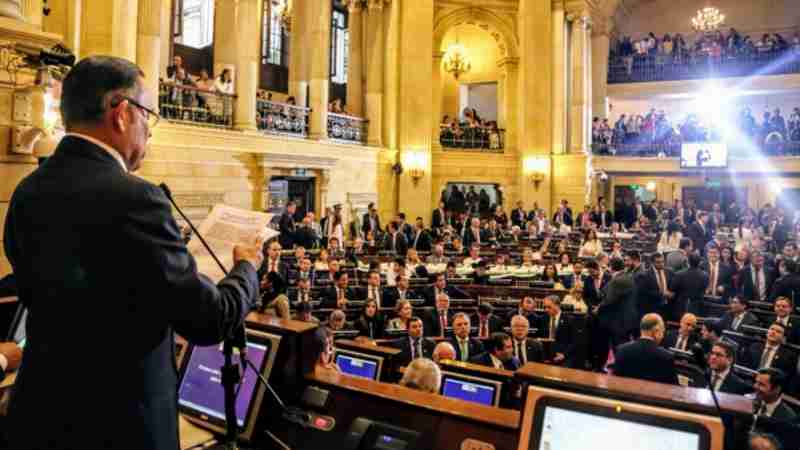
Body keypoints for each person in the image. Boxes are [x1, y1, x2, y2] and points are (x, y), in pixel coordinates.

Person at [2, 56, 264, 450]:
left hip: (39, 417)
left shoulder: (27, 191)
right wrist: (246, 266)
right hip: (119, 427)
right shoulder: (136, 198)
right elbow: (209, 320)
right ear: (122, 113)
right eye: (148, 115)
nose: (149, 132)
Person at [612, 314, 679, 385]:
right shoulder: (667, 357)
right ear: (656, 331)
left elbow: (614, 381)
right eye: (662, 332)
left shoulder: (622, 350)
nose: (662, 336)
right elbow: (674, 388)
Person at [669, 253, 709, 319]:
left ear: (688, 261)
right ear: (699, 262)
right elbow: (704, 289)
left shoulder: (679, 274)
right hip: (698, 307)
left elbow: (672, 289)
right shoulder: (705, 275)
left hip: (681, 306)